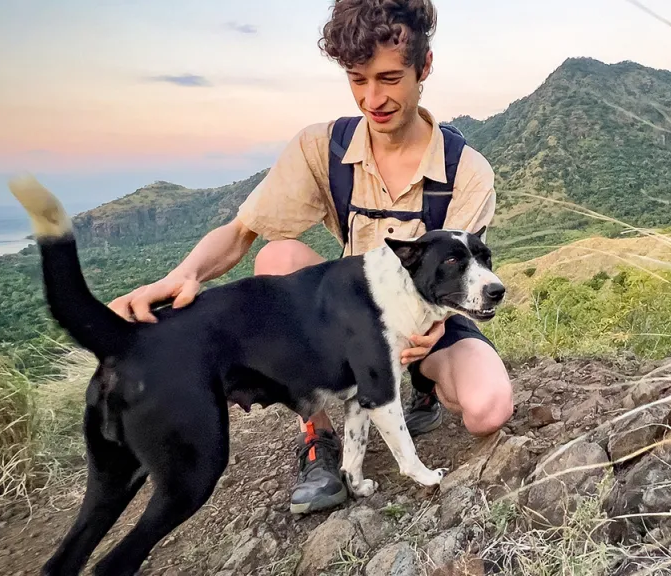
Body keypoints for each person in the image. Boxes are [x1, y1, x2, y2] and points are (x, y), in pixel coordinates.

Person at [106, 0, 513, 514]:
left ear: (423, 67)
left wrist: (428, 332)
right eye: (357, 79)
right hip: (353, 314)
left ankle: (423, 391)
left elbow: (465, 274)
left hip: (433, 314)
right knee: (278, 257)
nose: (373, 98)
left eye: (389, 78)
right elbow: (242, 232)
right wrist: (183, 275)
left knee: (488, 408)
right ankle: (320, 440)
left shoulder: (466, 171)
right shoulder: (322, 147)